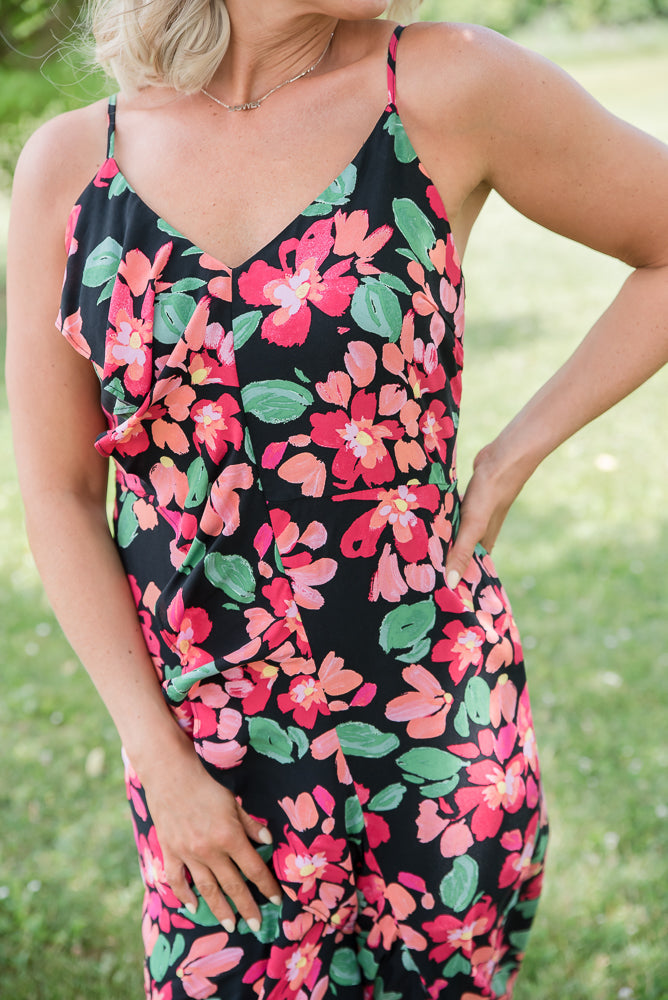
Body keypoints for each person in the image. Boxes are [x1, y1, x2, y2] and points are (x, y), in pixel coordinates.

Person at [5, 0, 668, 996]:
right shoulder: (70, 167)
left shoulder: (446, 88)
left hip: (431, 720)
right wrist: (157, 758)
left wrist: (508, 457)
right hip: (209, 748)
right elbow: (57, 492)